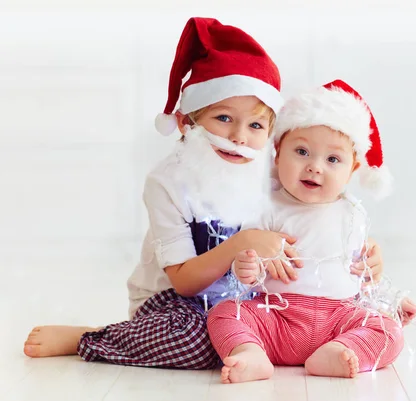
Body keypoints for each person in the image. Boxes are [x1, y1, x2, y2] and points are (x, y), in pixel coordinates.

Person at [23, 18, 386, 370]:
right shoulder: (167, 184)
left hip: (249, 304)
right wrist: (242, 243)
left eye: (256, 125)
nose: (239, 137)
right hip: (178, 303)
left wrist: (366, 255)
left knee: (301, 328)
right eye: (224, 118)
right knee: (200, 342)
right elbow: (183, 279)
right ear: (186, 122)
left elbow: (317, 219)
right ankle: (94, 337)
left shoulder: (272, 170)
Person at [207, 80, 416, 383]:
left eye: (333, 159)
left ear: (353, 169)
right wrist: (246, 267)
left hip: (338, 319)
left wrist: (392, 301)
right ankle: (251, 353)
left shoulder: (353, 214)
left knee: (389, 331)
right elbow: (247, 268)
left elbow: (362, 274)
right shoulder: (267, 207)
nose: (315, 167)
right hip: (276, 317)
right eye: (302, 151)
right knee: (224, 313)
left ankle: (342, 352)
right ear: (277, 154)